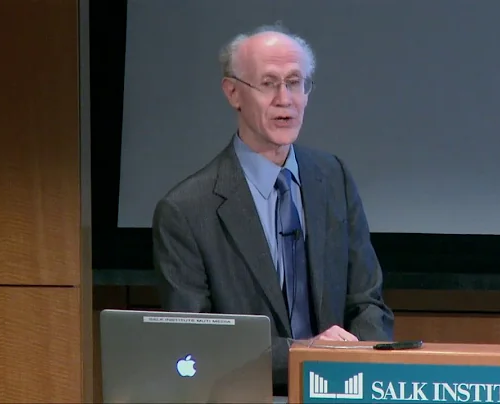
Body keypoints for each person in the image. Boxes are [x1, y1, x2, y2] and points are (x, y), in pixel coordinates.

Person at [151, 24, 395, 395]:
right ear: (233, 92)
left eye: (295, 82)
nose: (286, 99)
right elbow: (195, 341)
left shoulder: (334, 179)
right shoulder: (186, 211)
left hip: (343, 389)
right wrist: (307, 355)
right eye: (268, 83)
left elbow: (367, 301)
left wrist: (362, 362)